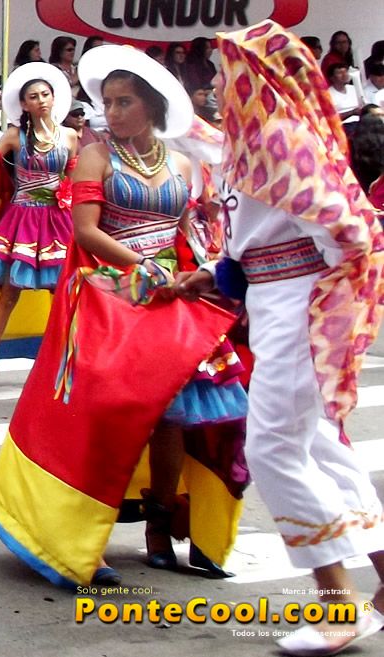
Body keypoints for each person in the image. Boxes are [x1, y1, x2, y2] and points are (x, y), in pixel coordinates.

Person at [0, 45, 249, 588]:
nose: (113, 111)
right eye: (109, 102)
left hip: (171, 299)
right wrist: (141, 266)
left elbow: (191, 230)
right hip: (109, 295)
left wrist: (204, 270)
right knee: (105, 412)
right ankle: (86, 536)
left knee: (170, 415)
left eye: (125, 102)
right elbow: (85, 231)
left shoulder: (183, 163)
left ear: (152, 106)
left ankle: (160, 525)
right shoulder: (95, 156)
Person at [175, 20, 384, 656]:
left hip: (299, 309)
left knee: (272, 449)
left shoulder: (282, 139)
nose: (216, 83)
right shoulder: (252, 144)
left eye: (224, 72)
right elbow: (260, 238)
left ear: (254, 77)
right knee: (317, 446)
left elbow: (349, 232)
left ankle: (339, 604)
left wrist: (321, 303)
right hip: (275, 305)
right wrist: (222, 273)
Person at [0, 62, 77, 394]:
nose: (41, 100)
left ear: (54, 98)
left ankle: (70, 367)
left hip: (58, 221)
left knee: (63, 297)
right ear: (24, 104)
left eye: (45, 94)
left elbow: (74, 179)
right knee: (9, 295)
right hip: (22, 220)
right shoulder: (15, 135)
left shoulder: (70, 136)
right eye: (33, 97)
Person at [327, 63, 361, 136]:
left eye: (346, 72)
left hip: (361, 122)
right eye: (340, 73)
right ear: (332, 78)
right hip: (343, 125)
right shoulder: (328, 94)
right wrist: (352, 112)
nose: (344, 75)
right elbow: (331, 118)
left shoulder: (354, 88)